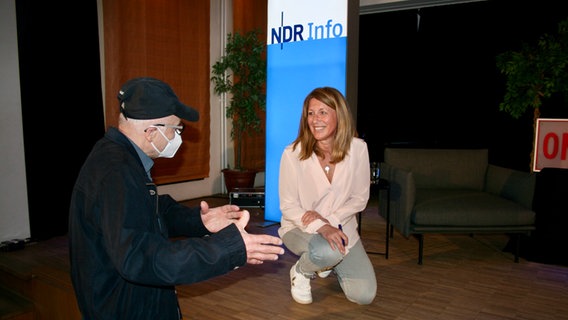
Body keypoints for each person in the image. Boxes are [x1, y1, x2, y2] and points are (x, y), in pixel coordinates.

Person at [68, 77, 284, 320]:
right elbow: (140, 257)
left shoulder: (120, 157)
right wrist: (228, 248)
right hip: (124, 307)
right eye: (175, 129)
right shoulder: (116, 172)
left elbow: (149, 211)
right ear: (151, 132)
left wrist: (199, 221)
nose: (177, 137)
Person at [278, 86, 377, 305]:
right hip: (299, 228)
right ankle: (303, 271)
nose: (315, 119)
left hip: (343, 228)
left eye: (323, 112)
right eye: (311, 113)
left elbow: (360, 198)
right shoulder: (292, 153)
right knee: (328, 252)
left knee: (364, 296)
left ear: (338, 115)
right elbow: (288, 206)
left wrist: (330, 222)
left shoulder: (358, 149)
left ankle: (325, 263)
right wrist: (321, 227)